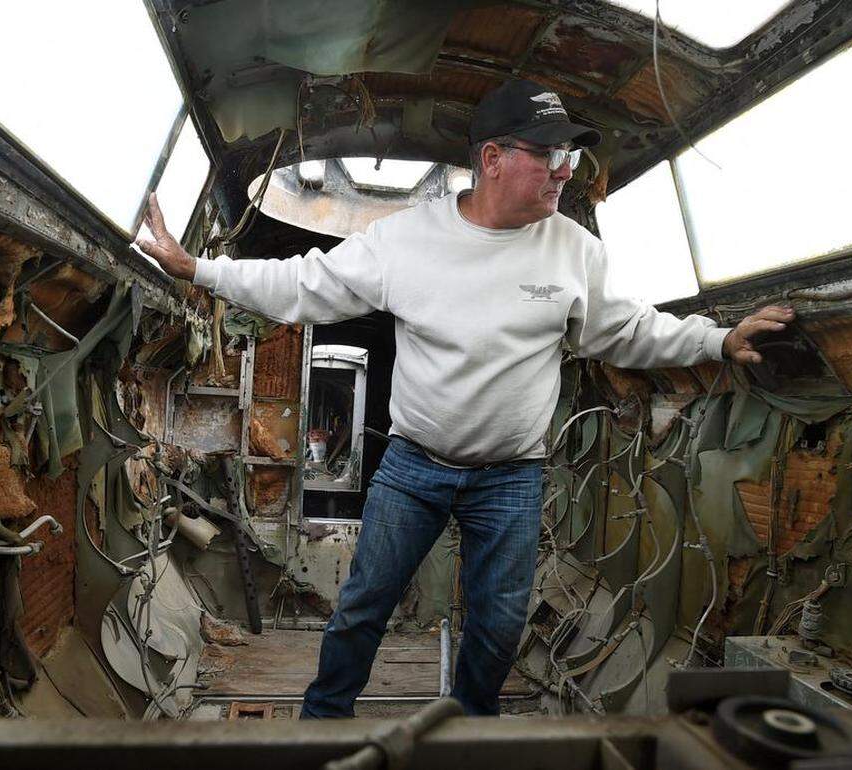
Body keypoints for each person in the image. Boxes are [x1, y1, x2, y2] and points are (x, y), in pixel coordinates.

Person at [136, 78, 793, 718]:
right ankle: (323, 721)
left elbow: (626, 329)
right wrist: (200, 268)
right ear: (493, 159)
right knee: (364, 605)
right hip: (415, 466)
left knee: (500, 622)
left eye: (570, 156)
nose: (566, 172)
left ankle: (469, 726)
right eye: (549, 155)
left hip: (510, 477)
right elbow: (305, 284)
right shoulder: (408, 241)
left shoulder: (574, 250)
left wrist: (718, 339)